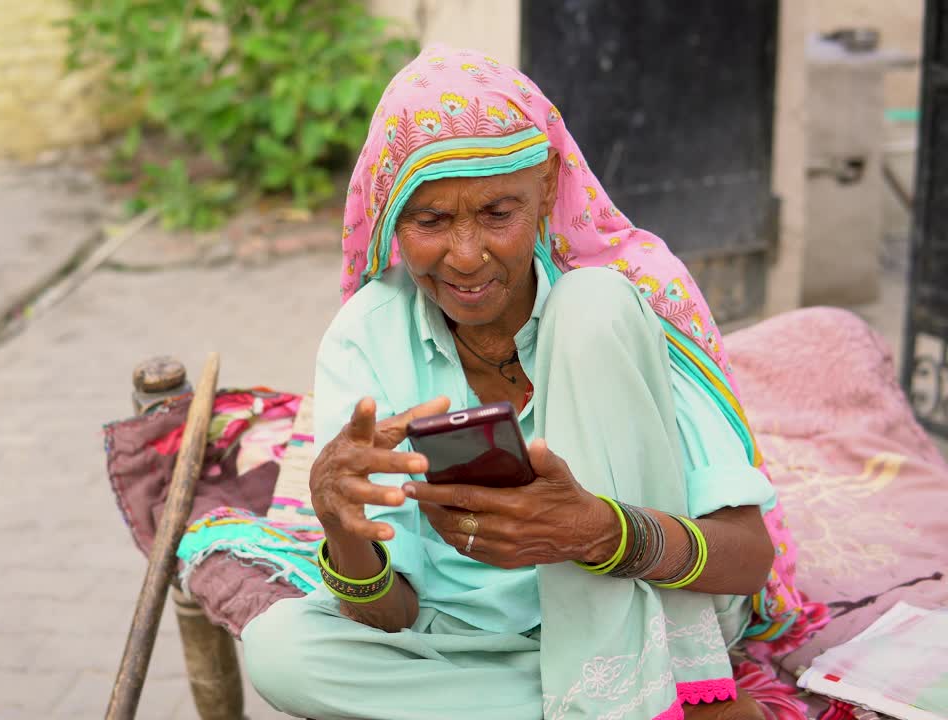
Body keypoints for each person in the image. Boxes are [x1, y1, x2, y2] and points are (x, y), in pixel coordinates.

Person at [241, 47, 816, 720]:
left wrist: (601, 534)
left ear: (546, 190)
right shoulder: (365, 337)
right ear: (393, 218)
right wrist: (341, 524)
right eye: (431, 221)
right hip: (483, 650)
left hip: (652, 617)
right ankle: (629, 704)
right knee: (279, 650)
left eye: (496, 214)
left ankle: (648, 683)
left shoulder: (619, 299)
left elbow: (747, 561)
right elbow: (391, 614)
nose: (465, 255)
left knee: (591, 301)